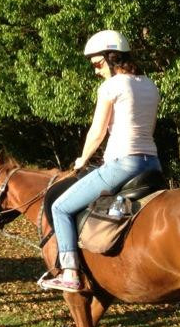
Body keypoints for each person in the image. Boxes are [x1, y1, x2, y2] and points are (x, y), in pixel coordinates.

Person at [42, 30, 161, 292]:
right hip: (152, 163)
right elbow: (148, 128)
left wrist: (81, 161)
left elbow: (97, 132)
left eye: (98, 64)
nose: (96, 71)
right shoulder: (150, 85)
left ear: (112, 58)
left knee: (61, 207)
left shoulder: (112, 86)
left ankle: (70, 272)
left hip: (123, 163)